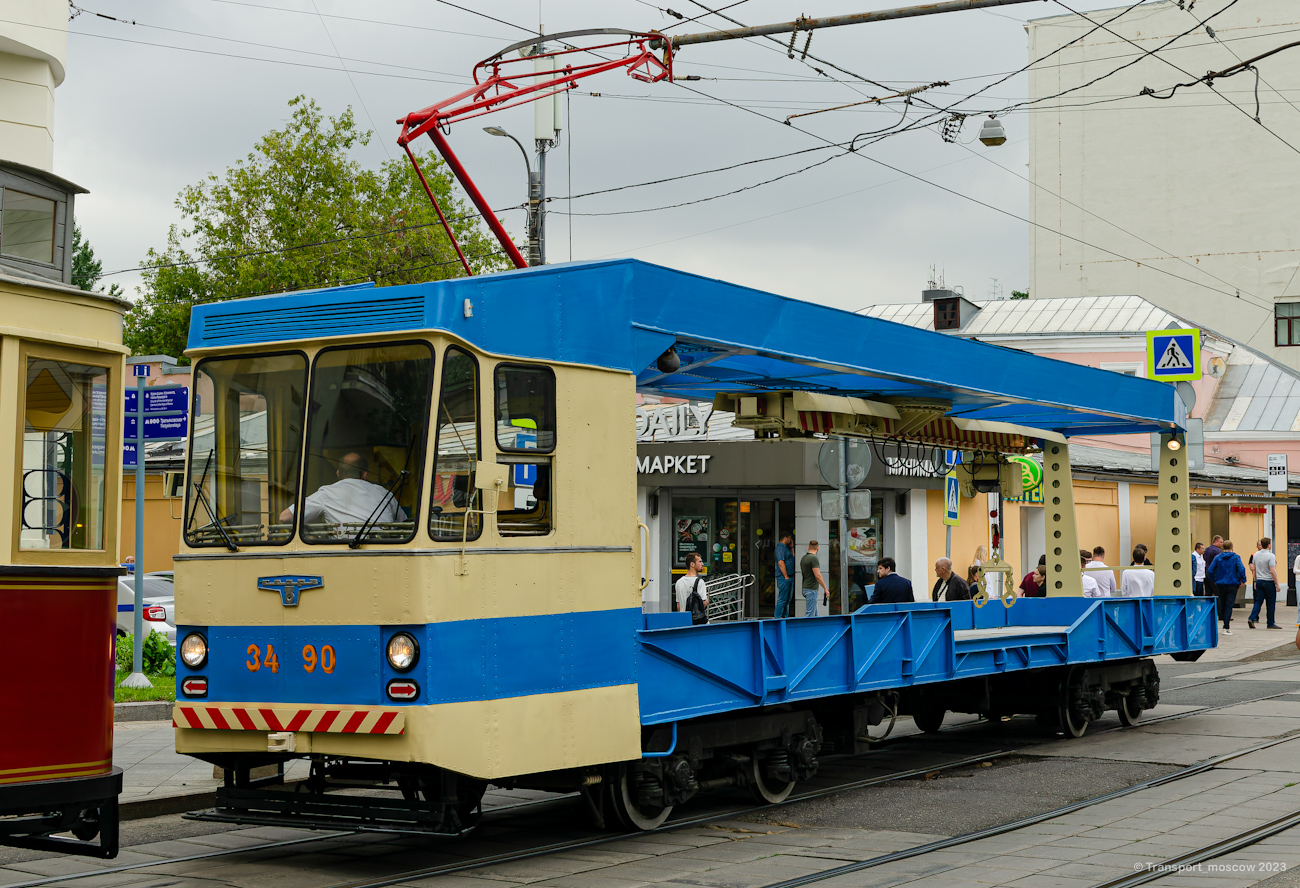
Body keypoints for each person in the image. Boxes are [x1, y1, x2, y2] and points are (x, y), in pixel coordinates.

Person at [279, 453, 398, 527]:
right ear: (365, 475)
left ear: (338, 474)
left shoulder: (327, 493)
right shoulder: (384, 492)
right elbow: (401, 522)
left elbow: (285, 517)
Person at [1207, 540, 1246, 636]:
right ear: (1232, 547)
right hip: (1233, 583)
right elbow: (1241, 569)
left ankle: (1225, 624)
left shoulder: (1218, 557)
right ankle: (1226, 626)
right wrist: (1243, 580)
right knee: (1229, 604)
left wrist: (1214, 579)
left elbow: (1210, 570)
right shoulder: (1236, 557)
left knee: (1222, 603)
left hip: (1221, 583)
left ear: (1223, 547)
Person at [1247, 537, 1282, 629]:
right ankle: (1270, 622)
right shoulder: (1271, 556)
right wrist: (1277, 583)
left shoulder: (1256, 555)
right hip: (1269, 581)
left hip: (1259, 580)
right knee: (1270, 603)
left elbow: (1254, 569)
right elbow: (1272, 571)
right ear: (1269, 545)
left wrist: (1255, 580)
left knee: (1258, 601)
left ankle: (1252, 617)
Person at [675, 552, 708, 624]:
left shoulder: (679, 582)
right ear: (692, 564)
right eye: (700, 561)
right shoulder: (700, 582)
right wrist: (707, 601)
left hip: (684, 622)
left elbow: (678, 606)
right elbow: (703, 604)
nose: (702, 564)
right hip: (697, 622)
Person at [800, 541, 829, 617]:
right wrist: (825, 589)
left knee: (815, 616)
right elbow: (817, 575)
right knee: (809, 615)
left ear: (808, 547)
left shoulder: (804, 558)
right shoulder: (813, 559)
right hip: (811, 589)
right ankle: (803, 629)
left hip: (806, 588)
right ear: (818, 548)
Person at [774, 531, 796, 619]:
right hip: (784, 577)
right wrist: (786, 576)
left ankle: (784, 617)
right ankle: (777, 617)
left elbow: (792, 558)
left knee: (787, 600)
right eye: (790, 538)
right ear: (785, 538)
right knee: (782, 599)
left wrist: (792, 548)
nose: (791, 540)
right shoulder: (780, 548)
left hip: (790, 576)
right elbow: (780, 563)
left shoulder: (786, 548)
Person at [1203, 535, 1224, 607]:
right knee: (1218, 594)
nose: (1222, 544)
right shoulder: (1218, 551)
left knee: (1208, 594)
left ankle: (1207, 610)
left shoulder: (1206, 550)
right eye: (1221, 542)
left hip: (1206, 573)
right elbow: (1220, 564)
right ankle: (1220, 612)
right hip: (1214, 574)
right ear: (1215, 542)